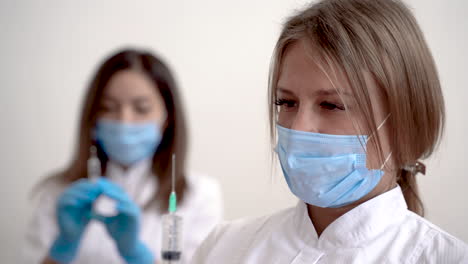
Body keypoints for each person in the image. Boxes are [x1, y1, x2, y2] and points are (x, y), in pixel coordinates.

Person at [192, 0, 468, 263]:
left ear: (406, 124)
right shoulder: (224, 247)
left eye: (332, 105)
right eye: (286, 102)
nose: (298, 127)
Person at [22, 49, 223, 264]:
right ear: (93, 117)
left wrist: (138, 255)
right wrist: (64, 247)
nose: (124, 121)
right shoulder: (58, 193)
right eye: (108, 108)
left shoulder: (200, 195)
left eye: (142, 108)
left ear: (168, 118)